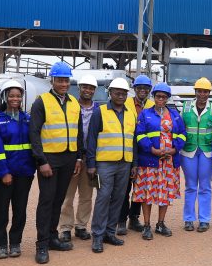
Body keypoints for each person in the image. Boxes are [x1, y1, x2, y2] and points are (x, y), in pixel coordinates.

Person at [29, 61, 82, 264]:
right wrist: (41, 161)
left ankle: (52, 237)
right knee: (46, 201)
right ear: (52, 80)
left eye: (66, 80)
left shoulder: (73, 102)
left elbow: (79, 133)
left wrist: (78, 157)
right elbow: (34, 133)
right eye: (60, 80)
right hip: (49, 159)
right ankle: (41, 244)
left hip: (68, 158)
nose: (63, 84)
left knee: (59, 200)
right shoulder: (41, 102)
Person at [0, 80, 36, 259]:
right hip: (3, 174)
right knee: (1, 209)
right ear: (5, 97)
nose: (15, 98)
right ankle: (1, 244)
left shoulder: (28, 119)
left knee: (20, 209)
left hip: (24, 173)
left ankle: (15, 242)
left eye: (18, 95)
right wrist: (3, 172)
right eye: (12, 95)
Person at [86, 78, 135, 252]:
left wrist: (133, 163)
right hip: (105, 163)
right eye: (117, 92)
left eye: (123, 93)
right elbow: (91, 139)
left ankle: (109, 232)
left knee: (118, 198)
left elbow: (133, 140)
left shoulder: (131, 112)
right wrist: (91, 164)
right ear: (111, 93)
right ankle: (97, 236)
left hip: (125, 162)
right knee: (103, 197)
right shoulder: (100, 112)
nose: (120, 96)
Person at [133, 83, 186, 240]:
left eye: (163, 97)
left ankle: (160, 224)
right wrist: (152, 149)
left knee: (165, 193)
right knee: (147, 193)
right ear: (153, 97)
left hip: (168, 162)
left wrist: (175, 149)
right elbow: (140, 134)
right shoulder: (145, 114)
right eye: (158, 96)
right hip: (150, 161)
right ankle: (147, 225)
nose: (160, 99)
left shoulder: (175, 115)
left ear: (167, 98)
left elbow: (182, 134)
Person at [58, 74, 99, 243]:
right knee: (68, 195)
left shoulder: (98, 109)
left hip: (90, 157)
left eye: (91, 88)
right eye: (85, 87)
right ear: (79, 88)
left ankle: (81, 226)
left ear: (94, 91)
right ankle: (66, 228)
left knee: (86, 195)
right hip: (72, 156)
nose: (87, 90)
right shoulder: (70, 105)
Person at [117, 75, 154, 235]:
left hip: (145, 151)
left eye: (146, 88)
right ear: (134, 89)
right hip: (127, 149)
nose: (142, 91)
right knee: (124, 188)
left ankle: (134, 218)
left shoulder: (154, 105)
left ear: (149, 90)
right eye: (139, 88)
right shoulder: (125, 103)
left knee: (140, 187)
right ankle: (121, 220)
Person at [180, 77, 212, 232]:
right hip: (188, 151)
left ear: (209, 93)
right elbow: (180, 128)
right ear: (195, 92)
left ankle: (204, 219)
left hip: (207, 152)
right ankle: (188, 219)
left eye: (205, 92)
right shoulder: (185, 107)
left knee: (205, 186)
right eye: (199, 91)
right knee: (190, 186)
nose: (202, 94)